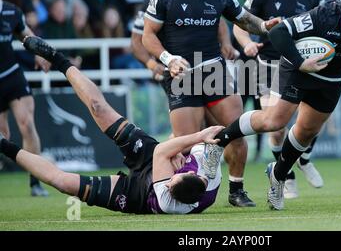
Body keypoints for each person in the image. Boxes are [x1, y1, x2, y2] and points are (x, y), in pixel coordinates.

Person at [202, 0, 341, 210]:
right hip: (298, 68)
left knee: (307, 132)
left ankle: (278, 175)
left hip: (331, 78)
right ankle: (218, 142)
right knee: (274, 122)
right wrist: (301, 63)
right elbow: (278, 31)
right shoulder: (325, 16)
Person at [0, 35, 224, 215]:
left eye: (170, 184)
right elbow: (178, 147)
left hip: (137, 196)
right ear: (195, 174)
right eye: (178, 174)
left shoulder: (168, 201)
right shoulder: (209, 176)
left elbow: (162, 152)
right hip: (151, 158)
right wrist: (184, 146)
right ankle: (58, 59)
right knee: (99, 108)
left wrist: (190, 140)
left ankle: (3, 145)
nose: (168, 183)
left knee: (62, 182)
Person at [142, 0, 280, 207]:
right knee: (185, 145)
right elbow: (147, 36)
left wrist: (263, 25)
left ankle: (236, 190)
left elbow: (243, 18)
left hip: (213, 71)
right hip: (182, 75)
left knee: (236, 132)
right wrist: (168, 59)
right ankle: (181, 192)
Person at [233, 0, 324, 199]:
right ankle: (287, 174)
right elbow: (239, 25)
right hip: (269, 66)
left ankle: (304, 158)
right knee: (276, 127)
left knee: (312, 123)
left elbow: (323, 26)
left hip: (302, 66)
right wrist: (247, 43)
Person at [0, 0, 51, 196]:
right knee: (3, 134)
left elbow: (27, 34)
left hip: (12, 76)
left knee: (27, 124)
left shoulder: (11, 11)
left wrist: (39, 53)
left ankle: (35, 183)